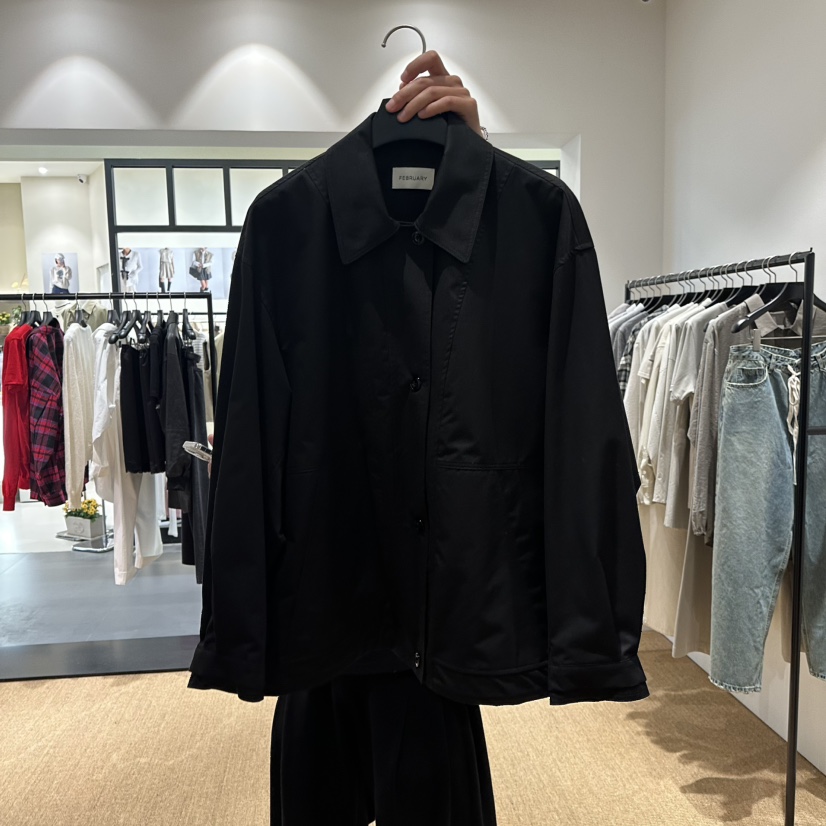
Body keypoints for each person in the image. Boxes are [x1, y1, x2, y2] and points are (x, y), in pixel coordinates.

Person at [265, 52, 497, 826]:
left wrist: (478, 167)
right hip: (324, 609)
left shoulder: (506, 232)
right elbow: (253, 445)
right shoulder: (287, 227)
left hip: (433, 626)